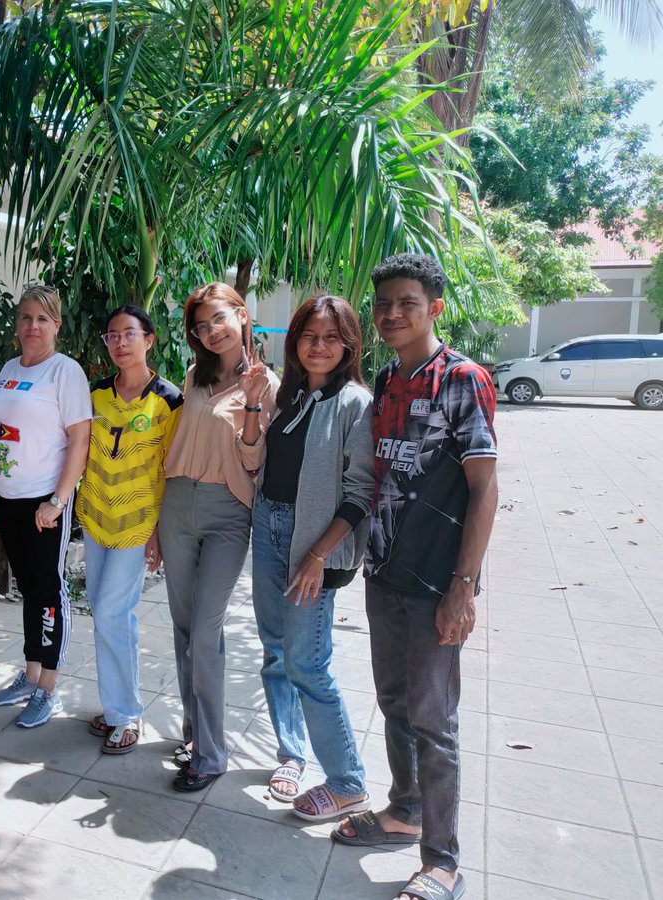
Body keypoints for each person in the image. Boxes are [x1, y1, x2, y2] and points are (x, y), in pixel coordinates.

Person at [333, 254, 498, 900]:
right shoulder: (386, 379)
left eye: (406, 302)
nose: (391, 314)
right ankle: (404, 810)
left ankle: (444, 859)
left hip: (437, 580)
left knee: (434, 717)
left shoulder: (464, 379)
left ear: (435, 307)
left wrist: (465, 585)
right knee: (395, 702)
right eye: (383, 305)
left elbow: (484, 490)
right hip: (385, 571)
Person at [251, 294, 373, 820]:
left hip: (313, 543)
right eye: (309, 336)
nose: (318, 346)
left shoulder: (354, 403)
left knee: (308, 664)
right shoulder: (292, 395)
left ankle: (347, 780)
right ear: (294, 341)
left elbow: (360, 490)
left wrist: (318, 555)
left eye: (330, 337)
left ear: (348, 345)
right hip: (269, 527)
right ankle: (291, 753)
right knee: (275, 652)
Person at [159, 282, 277, 792]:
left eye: (218, 319)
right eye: (201, 325)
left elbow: (254, 461)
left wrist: (252, 406)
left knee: (206, 632)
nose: (210, 331)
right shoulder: (195, 377)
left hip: (228, 511)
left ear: (242, 315)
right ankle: (194, 734)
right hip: (177, 505)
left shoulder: (266, 383)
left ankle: (211, 753)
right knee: (185, 630)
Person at [0, 285, 92, 729]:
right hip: (6, 499)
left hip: (44, 500)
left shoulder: (65, 372)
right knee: (28, 590)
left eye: (42, 319)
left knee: (48, 593)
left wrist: (58, 500)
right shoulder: (9, 369)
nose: (32, 326)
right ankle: (29, 676)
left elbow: (80, 440)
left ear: (57, 325)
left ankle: (48, 687)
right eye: (26, 317)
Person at [76, 306, 181, 754]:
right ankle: (116, 706)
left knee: (113, 612)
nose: (120, 343)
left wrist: (159, 531)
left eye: (129, 334)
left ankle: (127, 713)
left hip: (138, 524)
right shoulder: (95, 394)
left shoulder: (168, 400)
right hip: (96, 517)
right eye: (112, 336)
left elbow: (171, 469)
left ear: (149, 340)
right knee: (104, 612)